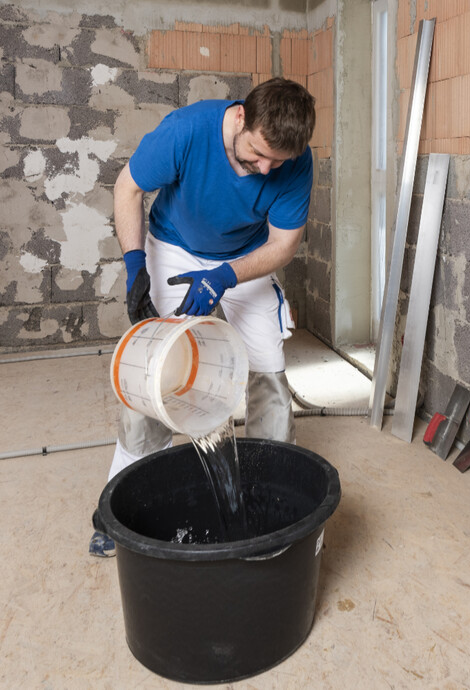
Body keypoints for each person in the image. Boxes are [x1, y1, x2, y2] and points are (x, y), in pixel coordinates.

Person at [89, 78, 316, 557]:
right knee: (152, 372)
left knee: (269, 373)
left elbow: (283, 245)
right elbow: (128, 187)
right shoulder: (187, 130)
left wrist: (226, 276)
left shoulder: (294, 162)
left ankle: (272, 501)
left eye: (277, 162)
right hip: (174, 248)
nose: (265, 169)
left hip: (246, 259)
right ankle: (116, 504)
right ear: (239, 119)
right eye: (256, 154)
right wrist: (136, 266)